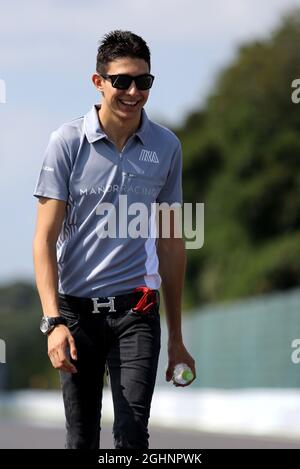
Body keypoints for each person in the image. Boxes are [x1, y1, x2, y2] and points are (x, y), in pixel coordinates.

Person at [32, 30, 196, 449]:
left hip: (137, 309)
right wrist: (53, 322)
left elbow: (172, 244)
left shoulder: (166, 146)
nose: (133, 91)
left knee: (131, 436)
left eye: (143, 81)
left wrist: (176, 337)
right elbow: (44, 240)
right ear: (98, 82)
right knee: (82, 438)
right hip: (75, 314)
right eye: (121, 80)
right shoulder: (66, 143)